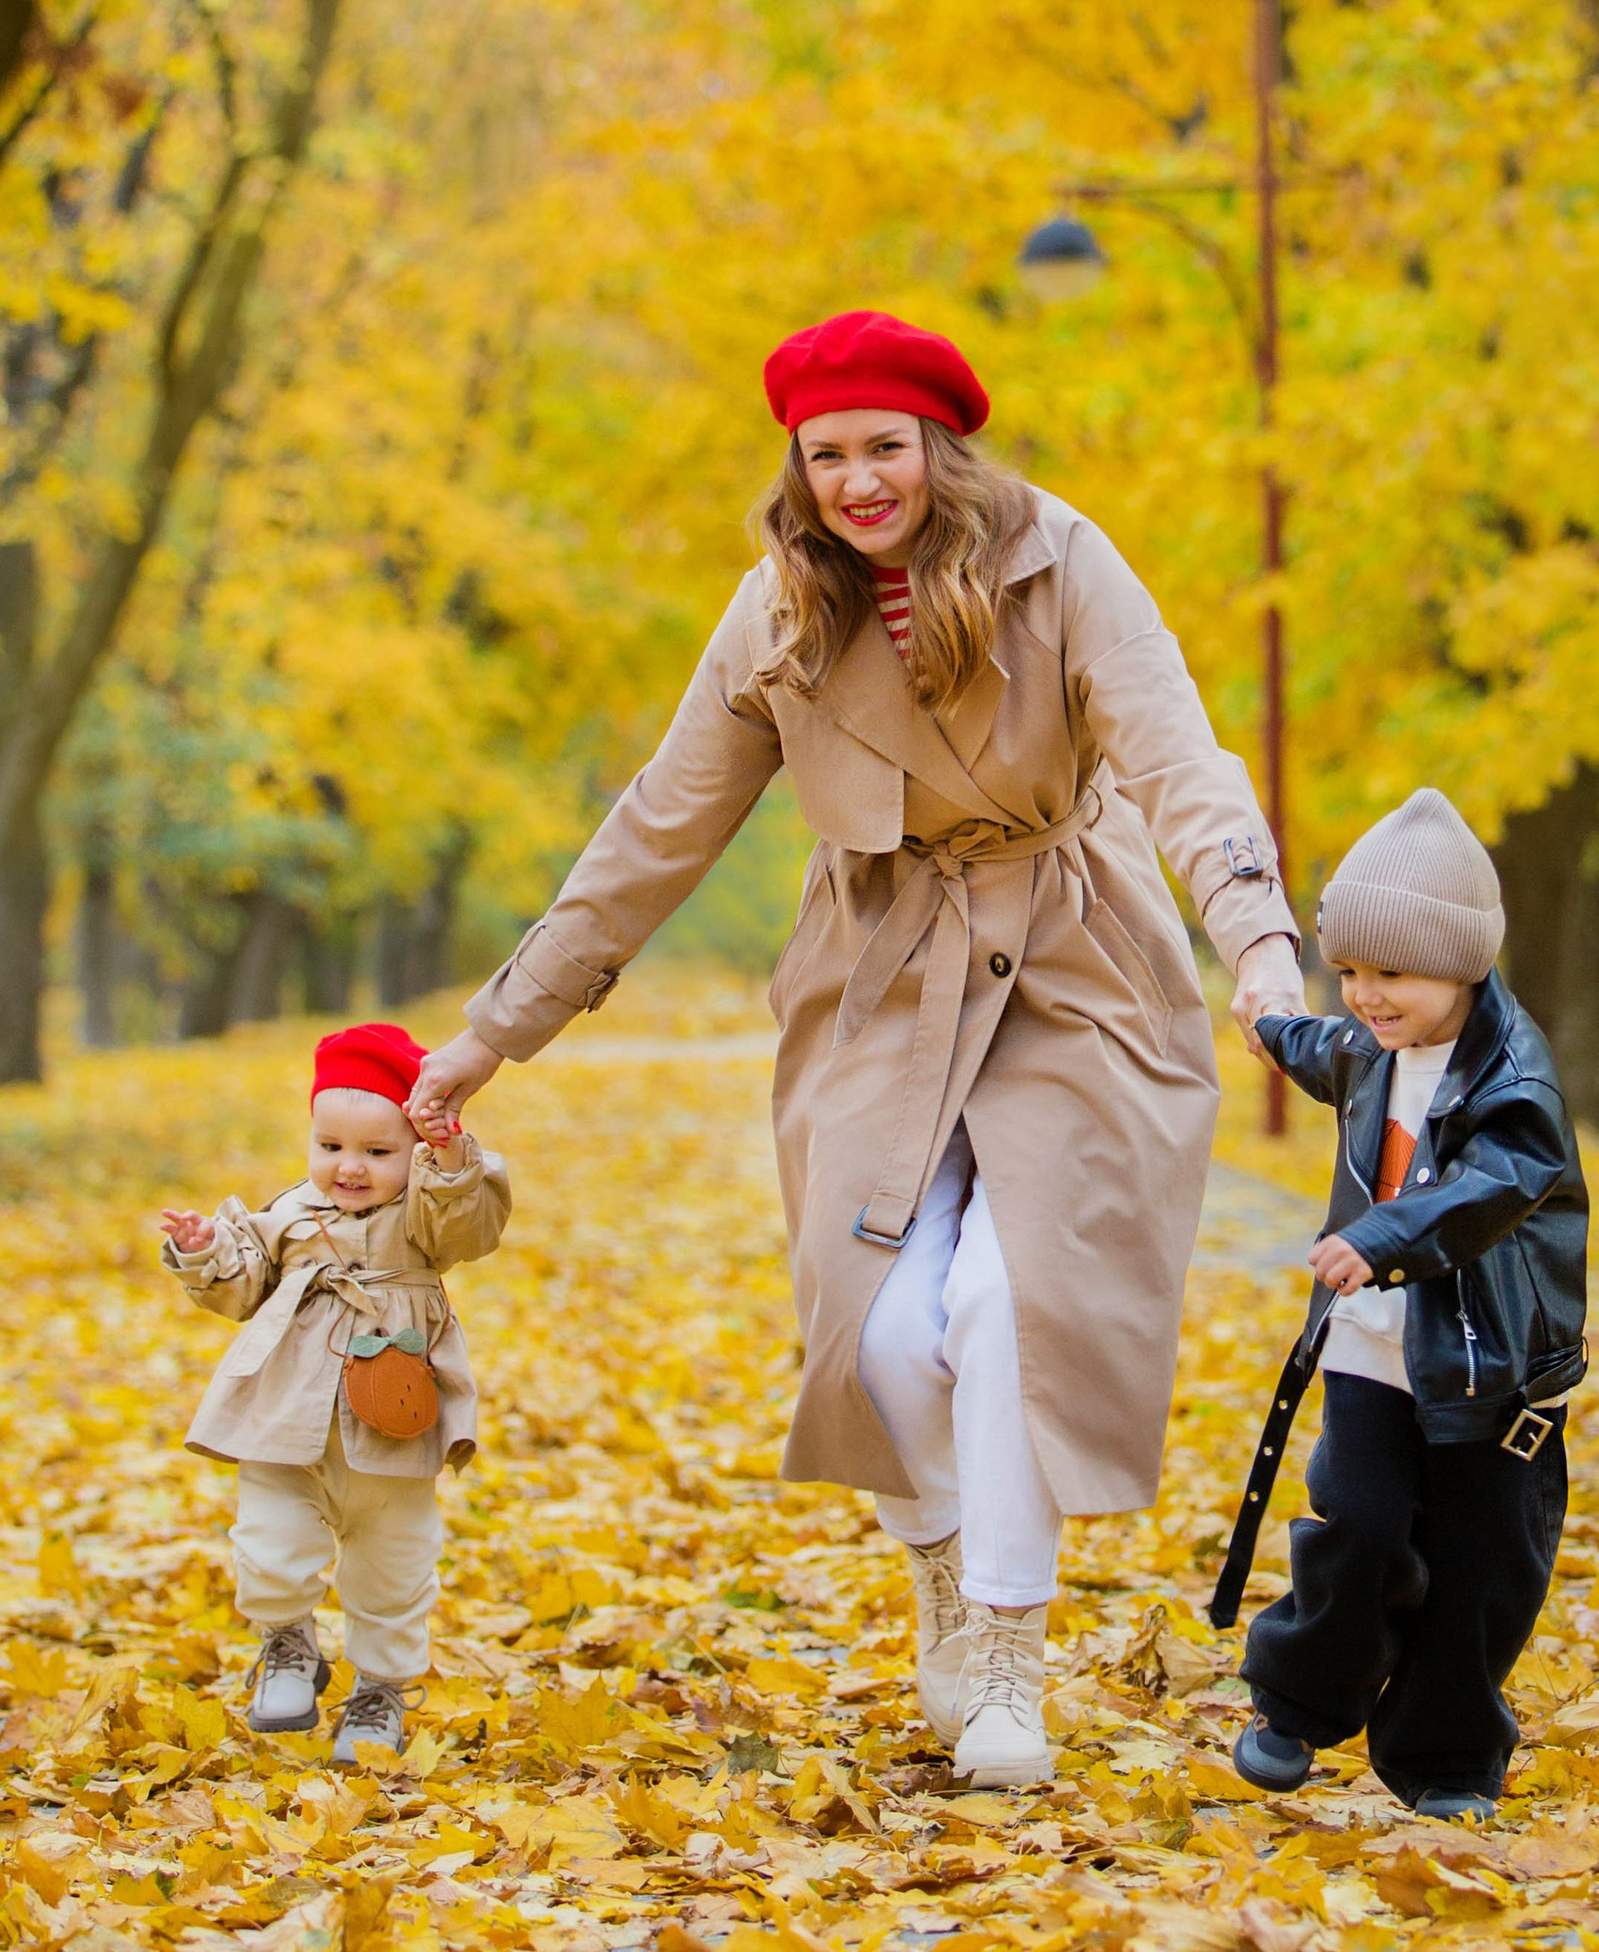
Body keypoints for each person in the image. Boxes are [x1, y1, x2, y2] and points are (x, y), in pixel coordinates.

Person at [408, 309, 1304, 1793]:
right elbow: (659, 826)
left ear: (940, 448)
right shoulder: (778, 611)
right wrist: (496, 1031)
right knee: (877, 1325)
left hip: (1073, 958)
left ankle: (1008, 1644)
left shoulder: (1059, 561)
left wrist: (1259, 947)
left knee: (1014, 1300)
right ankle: (942, 1560)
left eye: (885, 446)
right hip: (882, 971)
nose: (858, 481)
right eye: (826, 455)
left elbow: (1176, 758)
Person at [1212, 789, 1587, 1820]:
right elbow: (1322, 1047)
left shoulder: (1514, 1081)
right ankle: (1296, 1703)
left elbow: (1496, 1183)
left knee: (1479, 1566)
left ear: (1461, 963)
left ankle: (1448, 1758)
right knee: (1359, 1524)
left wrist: (1379, 1239)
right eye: (1350, 972)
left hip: (1487, 1363)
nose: (1367, 997)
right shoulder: (1372, 1047)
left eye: (1391, 974)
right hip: (1372, 1349)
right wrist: (1272, 1024)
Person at [160, 1020, 511, 1766]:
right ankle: (287, 1641)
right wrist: (206, 1250)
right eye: (330, 1146)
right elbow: (241, 1285)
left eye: (377, 1153)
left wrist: (450, 1158)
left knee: (393, 1566)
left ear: (414, 1150)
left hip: (393, 1423)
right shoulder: (290, 1214)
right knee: (267, 1545)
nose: (349, 1167)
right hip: (285, 1421)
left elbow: (468, 1224)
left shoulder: (423, 1214)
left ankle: (380, 1691)